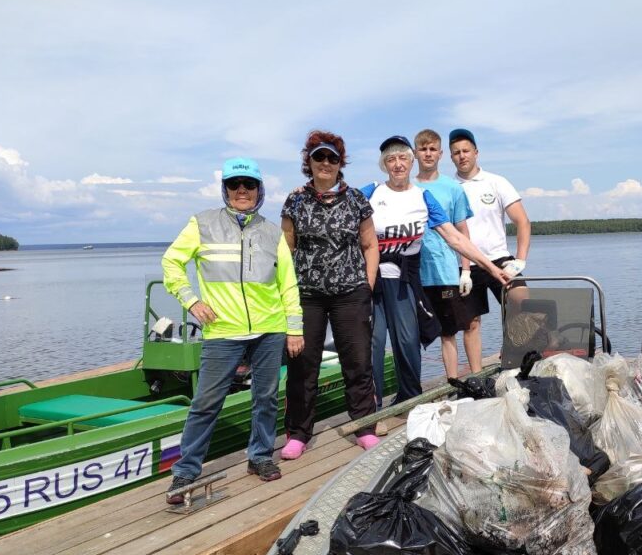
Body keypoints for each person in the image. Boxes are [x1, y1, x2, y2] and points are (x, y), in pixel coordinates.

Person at [162, 158, 303, 504]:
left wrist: (294, 327)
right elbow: (171, 263)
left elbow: (288, 283)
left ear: (259, 191)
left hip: (269, 329)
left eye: (249, 185)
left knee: (266, 398)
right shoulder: (202, 223)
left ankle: (259, 456)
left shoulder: (272, 232)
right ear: (225, 189)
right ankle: (186, 470)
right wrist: (192, 301)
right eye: (235, 184)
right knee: (206, 403)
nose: (242, 190)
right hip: (222, 330)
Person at [363, 135, 511, 406]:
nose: (398, 164)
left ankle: (408, 401)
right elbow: (337, 207)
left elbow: (455, 238)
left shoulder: (423, 197)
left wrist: (490, 268)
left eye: (403, 158)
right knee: (374, 342)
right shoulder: (371, 192)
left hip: (404, 280)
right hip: (372, 278)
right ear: (383, 164)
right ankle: (371, 409)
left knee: (408, 341)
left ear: (411, 161)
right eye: (391, 159)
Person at [279, 131, 381, 459]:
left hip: (350, 293)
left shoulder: (355, 200)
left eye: (332, 158)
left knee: (358, 360)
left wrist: (367, 284)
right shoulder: (295, 200)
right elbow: (286, 249)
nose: (325, 163)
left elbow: (369, 245)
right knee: (302, 364)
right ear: (308, 162)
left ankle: (365, 426)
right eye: (319, 157)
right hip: (306, 294)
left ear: (340, 163)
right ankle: (298, 433)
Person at [449, 128, 532, 369]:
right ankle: (476, 375)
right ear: (451, 157)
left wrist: (520, 260)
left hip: (499, 260)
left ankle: (518, 358)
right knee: (471, 324)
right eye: (456, 152)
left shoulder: (496, 182)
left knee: (523, 303)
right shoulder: (449, 186)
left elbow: (523, 222)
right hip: (465, 265)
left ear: (476, 152)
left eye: (466, 150)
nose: (462, 156)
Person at [414, 129, 480, 379]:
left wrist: (466, 270)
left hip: (445, 273)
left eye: (433, 149)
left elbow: (462, 231)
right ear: (415, 153)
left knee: (448, 332)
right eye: (423, 149)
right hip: (414, 275)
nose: (428, 154)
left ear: (440, 154)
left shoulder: (452, 188)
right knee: (413, 335)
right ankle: (412, 390)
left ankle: (453, 384)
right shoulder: (406, 187)